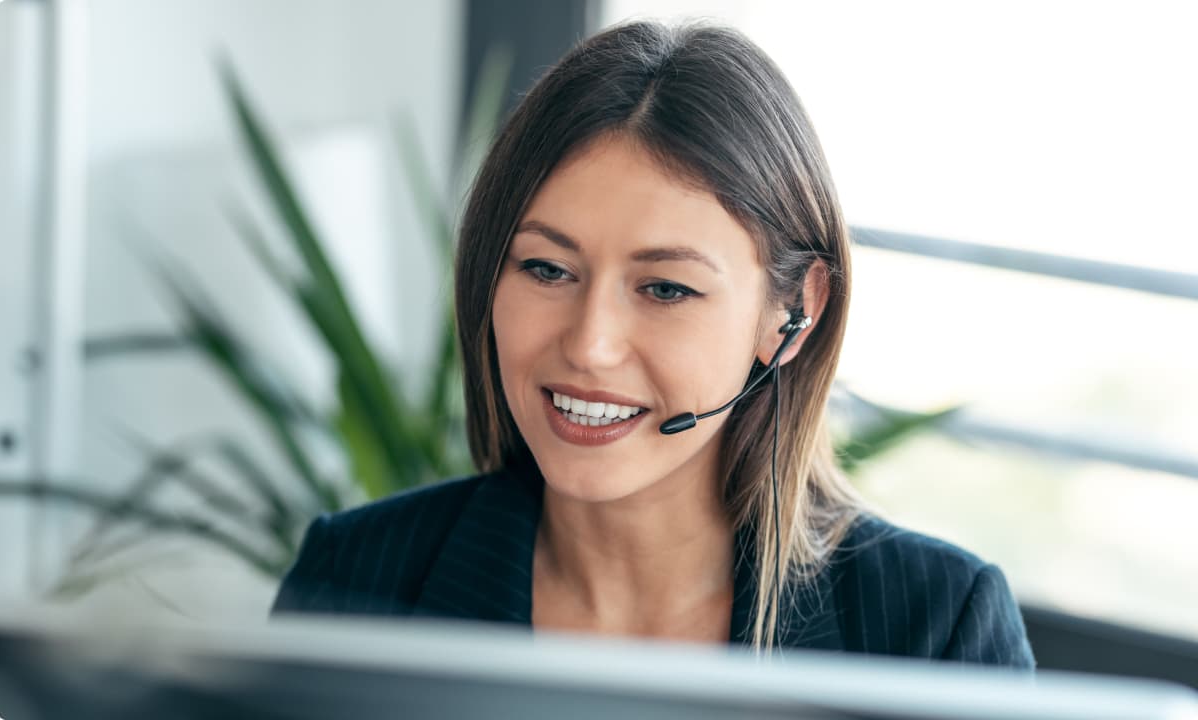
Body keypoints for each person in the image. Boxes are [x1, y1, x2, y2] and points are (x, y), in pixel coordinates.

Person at [272, 20, 1035, 667]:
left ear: (793, 312)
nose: (592, 345)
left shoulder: (934, 628)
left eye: (666, 288)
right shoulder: (355, 581)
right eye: (546, 268)